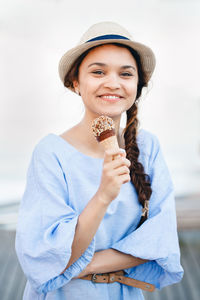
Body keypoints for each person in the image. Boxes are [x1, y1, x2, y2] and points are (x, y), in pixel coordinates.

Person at [15, 21, 184, 300]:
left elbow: (160, 239)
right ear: (76, 82)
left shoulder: (147, 147)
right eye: (98, 71)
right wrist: (103, 195)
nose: (113, 83)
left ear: (137, 85)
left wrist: (72, 266)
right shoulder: (51, 153)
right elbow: (42, 253)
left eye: (126, 73)